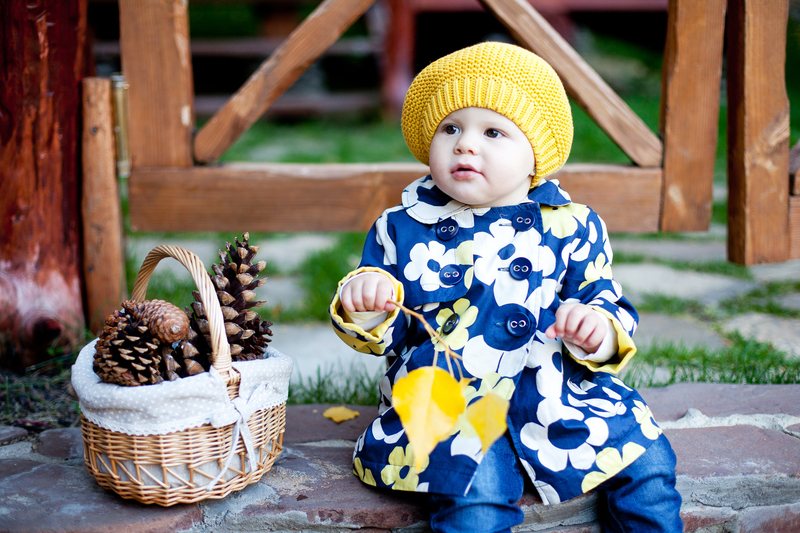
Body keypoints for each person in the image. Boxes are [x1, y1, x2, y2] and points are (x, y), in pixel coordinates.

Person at [328, 41, 682, 533]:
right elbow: (388, 332)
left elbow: (603, 296)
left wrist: (597, 329)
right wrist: (367, 307)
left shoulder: (572, 225)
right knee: (476, 497)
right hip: (449, 398)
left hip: (560, 390)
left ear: (536, 155)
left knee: (649, 463)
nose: (465, 145)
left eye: (493, 131)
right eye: (451, 128)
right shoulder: (402, 227)